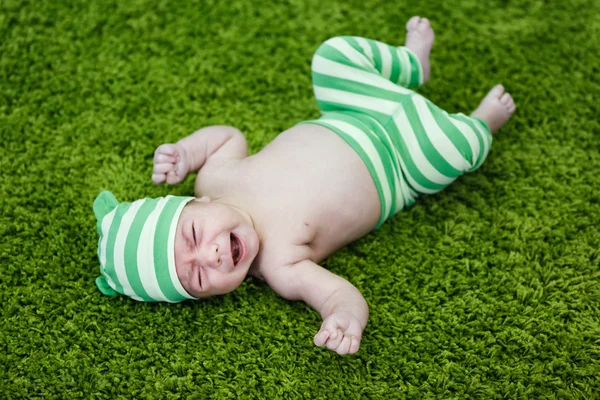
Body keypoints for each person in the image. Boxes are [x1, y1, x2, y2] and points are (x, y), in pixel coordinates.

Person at [93, 16, 515, 355]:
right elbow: (337, 293)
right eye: (198, 278)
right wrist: (344, 317)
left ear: (195, 201)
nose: (213, 255)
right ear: (203, 298)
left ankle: (410, 64)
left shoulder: (216, 176)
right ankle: (481, 123)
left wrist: (186, 153)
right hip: (402, 161)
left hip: (352, 112)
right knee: (449, 149)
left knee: (331, 57)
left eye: (194, 235)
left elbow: (227, 136)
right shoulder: (280, 266)